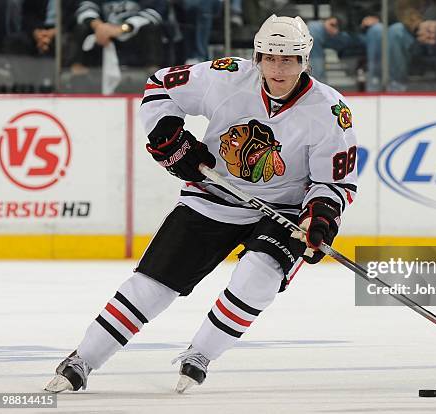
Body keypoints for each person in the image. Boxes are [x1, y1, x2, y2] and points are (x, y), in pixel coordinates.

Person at [44, 14, 358, 394]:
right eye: (270, 58)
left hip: (285, 211)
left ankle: (201, 355)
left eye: (288, 59)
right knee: (153, 284)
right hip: (213, 196)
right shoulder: (226, 76)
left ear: (305, 60)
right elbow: (160, 85)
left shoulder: (329, 110)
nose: (278, 68)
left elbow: (333, 182)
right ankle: (82, 359)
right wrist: (168, 137)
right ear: (256, 57)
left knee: (258, 274)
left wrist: (320, 218)